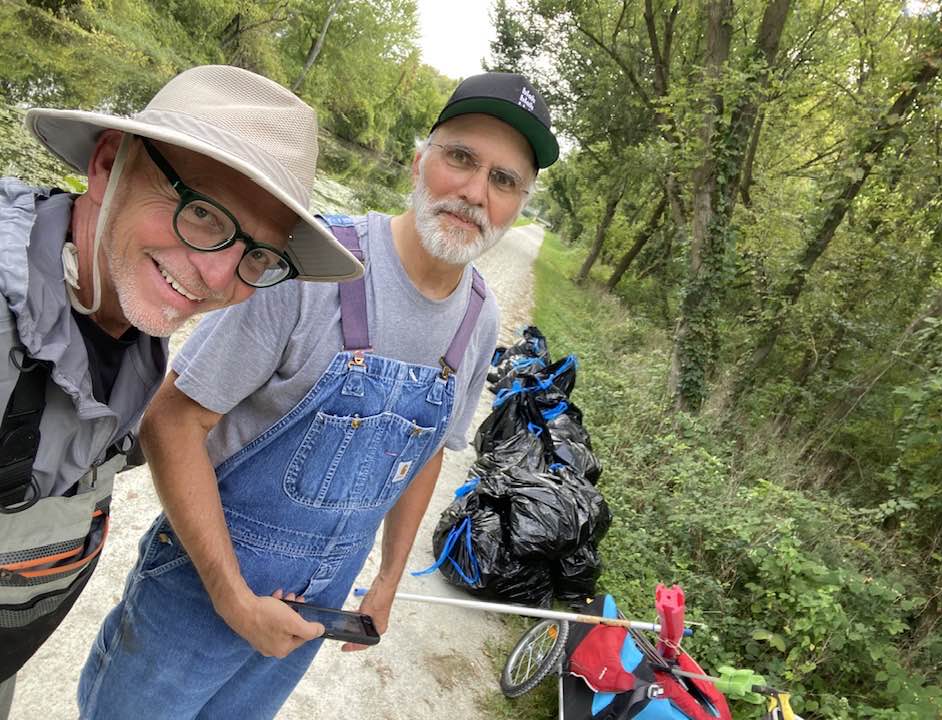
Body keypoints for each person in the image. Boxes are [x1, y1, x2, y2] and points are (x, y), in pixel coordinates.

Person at [77, 71, 560, 719]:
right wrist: (232, 598)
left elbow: (429, 455)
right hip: (197, 596)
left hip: (313, 614)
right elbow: (172, 421)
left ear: (519, 205)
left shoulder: (478, 325)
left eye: (504, 180)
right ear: (420, 162)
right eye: (461, 158)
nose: (475, 191)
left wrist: (388, 578)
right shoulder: (309, 270)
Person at [0, 65, 363, 718]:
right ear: (108, 163)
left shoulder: (128, 334)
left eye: (259, 254)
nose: (220, 276)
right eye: (202, 211)